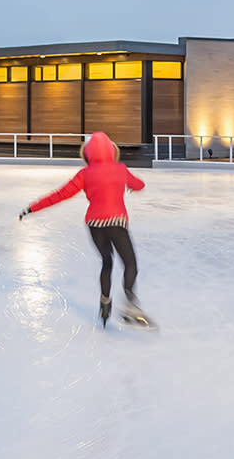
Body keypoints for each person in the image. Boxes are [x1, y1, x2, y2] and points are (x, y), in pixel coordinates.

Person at [19, 131, 150, 328]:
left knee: (107, 262)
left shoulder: (84, 174)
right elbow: (140, 185)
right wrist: (128, 184)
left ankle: (105, 303)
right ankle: (130, 304)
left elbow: (60, 195)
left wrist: (32, 208)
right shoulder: (120, 169)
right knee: (130, 264)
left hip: (94, 225)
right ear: (111, 150)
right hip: (115, 223)